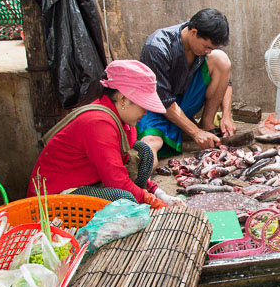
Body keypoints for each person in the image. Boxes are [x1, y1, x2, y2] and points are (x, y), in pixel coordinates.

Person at [29, 60, 175, 208]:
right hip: (58, 195)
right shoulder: (98, 124)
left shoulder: (124, 121)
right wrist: (151, 201)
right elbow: (116, 181)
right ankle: (139, 201)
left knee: (144, 150)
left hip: (91, 181)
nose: (145, 112)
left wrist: (157, 192)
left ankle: (140, 196)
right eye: (143, 105)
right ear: (122, 99)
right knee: (123, 197)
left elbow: (123, 165)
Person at [137, 8, 236, 160]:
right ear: (193, 32)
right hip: (156, 107)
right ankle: (187, 129)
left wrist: (227, 116)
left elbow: (225, 81)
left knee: (221, 59)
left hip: (184, 100)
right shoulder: (157, 47)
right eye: (206, 47)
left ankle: (206, 124)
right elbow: (164, 101)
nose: (209, 51)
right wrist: (195, 133)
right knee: (150, 145)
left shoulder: (208, 43)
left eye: (212, 47)